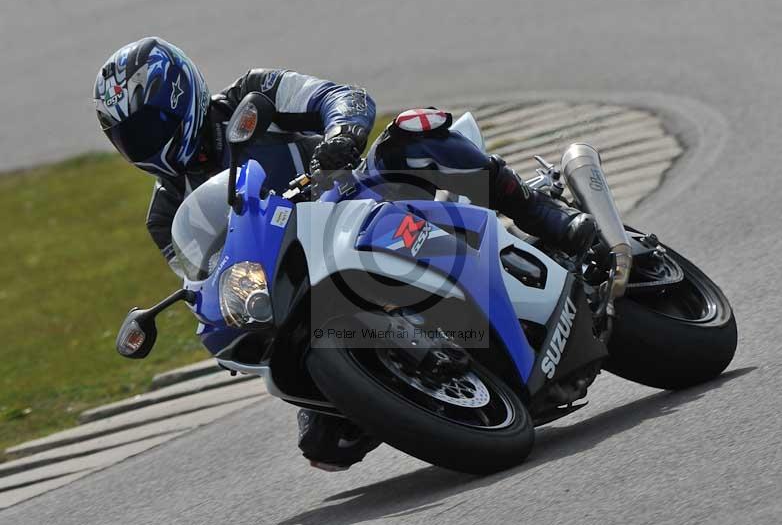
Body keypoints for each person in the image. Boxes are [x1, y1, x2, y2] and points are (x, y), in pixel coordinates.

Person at [94, 37, 595, 472]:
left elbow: (340, 98)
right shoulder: (165, 215)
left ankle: (543, 215)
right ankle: (416, 390)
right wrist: (216, 313)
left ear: (180, 99)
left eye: (149, 125)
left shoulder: (254, 92)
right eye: (128, 138)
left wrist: (340, 138)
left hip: (358, 200)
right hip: (301, 283)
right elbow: (205, 275)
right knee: (325, 444)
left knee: (413, 135)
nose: (144, 143)